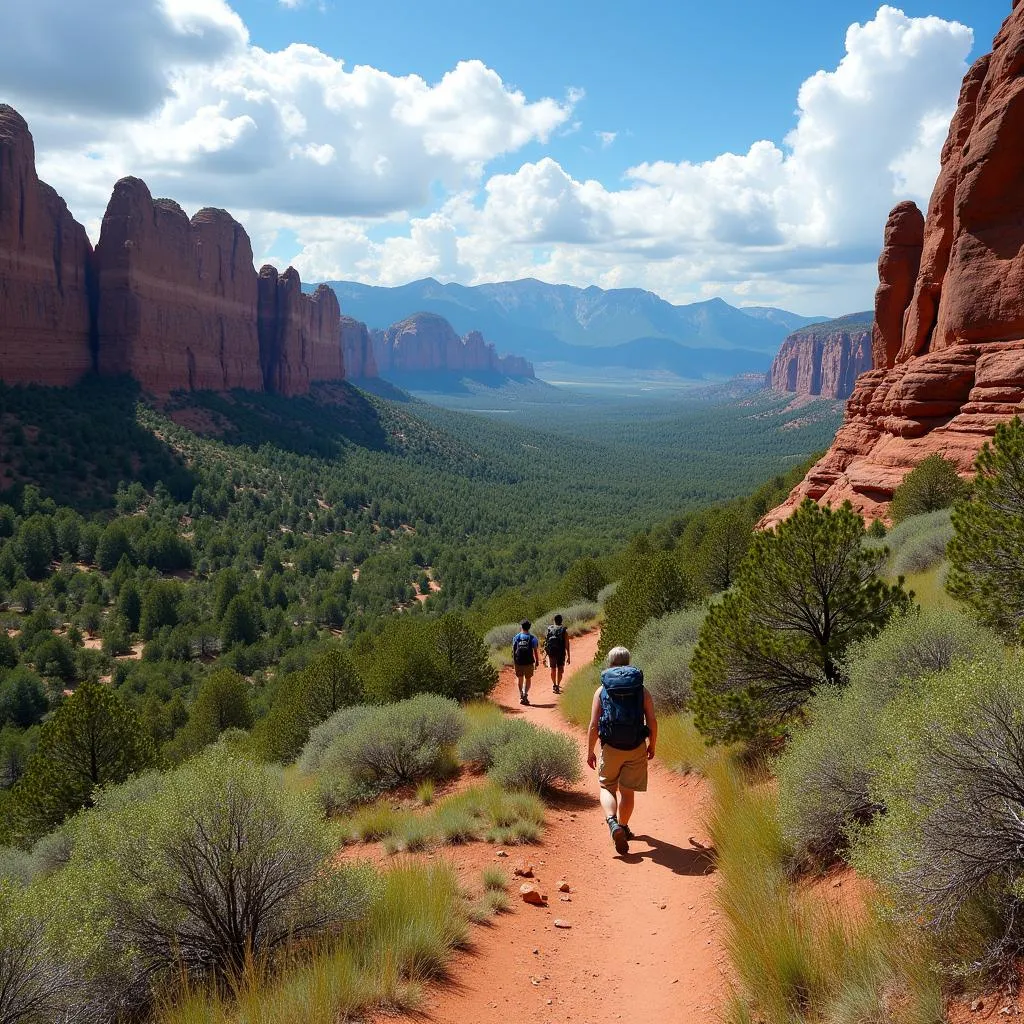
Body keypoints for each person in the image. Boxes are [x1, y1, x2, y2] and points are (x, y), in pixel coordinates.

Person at [586, 646, 657, 855]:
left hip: (611, 746)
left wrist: (590, 751)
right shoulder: (641, 690)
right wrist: (652, 744)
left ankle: (612, 822)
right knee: (627, 791)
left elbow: (593, 725)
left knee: (607, 786)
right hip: (636, 746)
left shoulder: (602, 690)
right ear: (629, 661)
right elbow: (652, 720)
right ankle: (624, 826)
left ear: (610, 663)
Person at [511, 619, 540, 706]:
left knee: (520, 679)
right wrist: (537, 661)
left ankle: (521, 695)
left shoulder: (516, 637)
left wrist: (514, 662)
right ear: (529, 627)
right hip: (529, 662)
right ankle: (525, 694)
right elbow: (535, 651)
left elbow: (513, 651)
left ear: (521, 627)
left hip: (518, 662)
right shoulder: (533, 638)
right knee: (528, 679)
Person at [544, 614, 571, 694]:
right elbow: (567, 644)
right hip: (561, 652)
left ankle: (554, 685)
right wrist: (569, 656)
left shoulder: (550, 629)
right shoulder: (564, 631)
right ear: (561, 621)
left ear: (554, 621)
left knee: (553, 669)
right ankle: (558, 685)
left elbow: (546, 643)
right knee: (560, 669)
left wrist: (545, 655)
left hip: (551, 652)